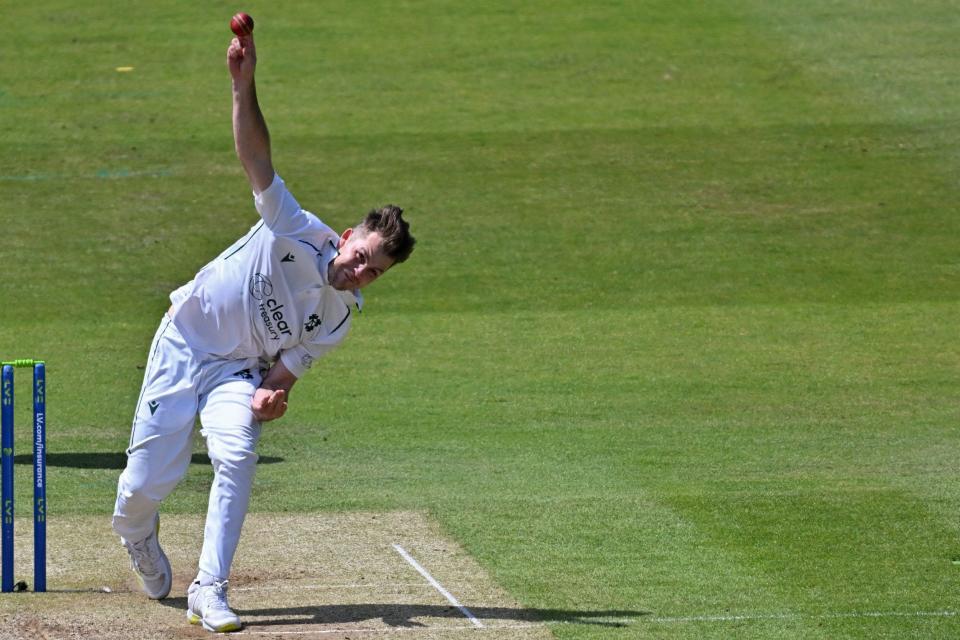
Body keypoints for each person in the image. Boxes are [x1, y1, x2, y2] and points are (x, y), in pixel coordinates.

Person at [111, 30, 415, 633]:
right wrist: (242, 86)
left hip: (236, 372)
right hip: (185, 342)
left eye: (373, 274)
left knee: (239, 453)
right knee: (148, 482)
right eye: (361, 257)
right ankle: (137, 534)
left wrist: (274, 395)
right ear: (348, 237)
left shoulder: (341, 316)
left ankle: (210, 587)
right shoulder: (293, 226)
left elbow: (281, 377)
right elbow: (256, 157)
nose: (359, 274)